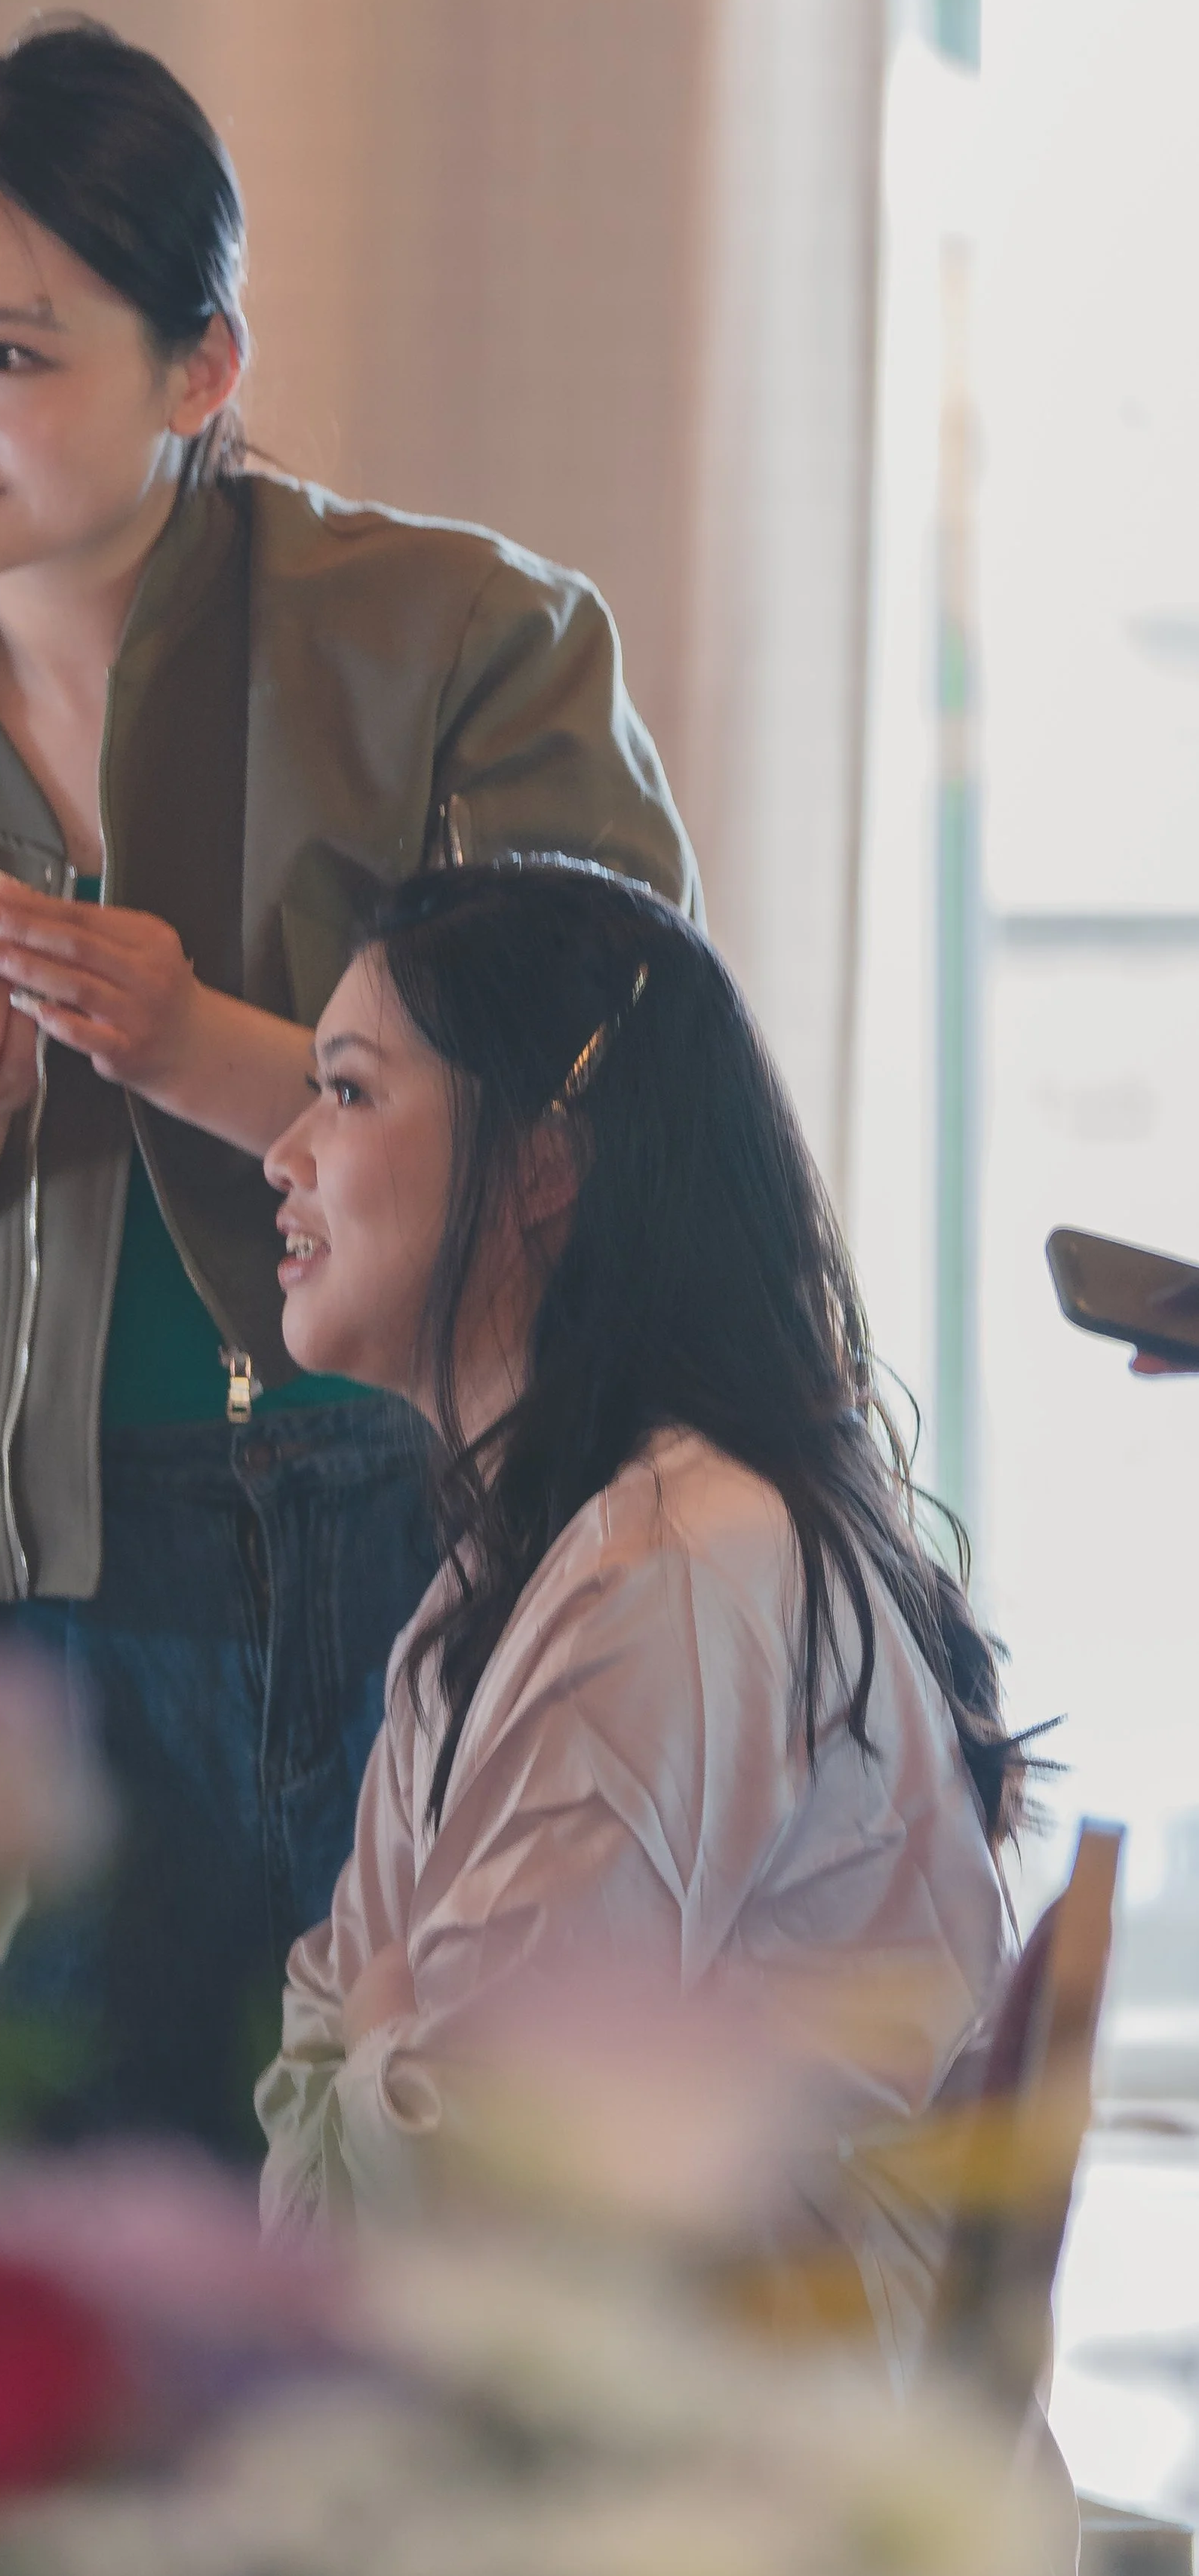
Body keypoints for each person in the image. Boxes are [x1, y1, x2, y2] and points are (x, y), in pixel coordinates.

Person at [0, 20, 696, 2156]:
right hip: (51, 1613)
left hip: (450, 1548)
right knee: (68, 2285)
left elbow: (623, 1099)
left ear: (198, 367)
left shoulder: (461, 644)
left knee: (462, 2234)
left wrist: (194, 1039)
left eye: (10, 356)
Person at [256, 862, 1019, 2359]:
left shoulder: (665, 1568)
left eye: (345, 1094)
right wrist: (381, 2051)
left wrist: (382, 2048)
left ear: (540, 1162)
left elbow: (458, 2177)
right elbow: (355, 2078)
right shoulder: (552, 1552)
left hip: (742, 2504)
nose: (279, 1154)